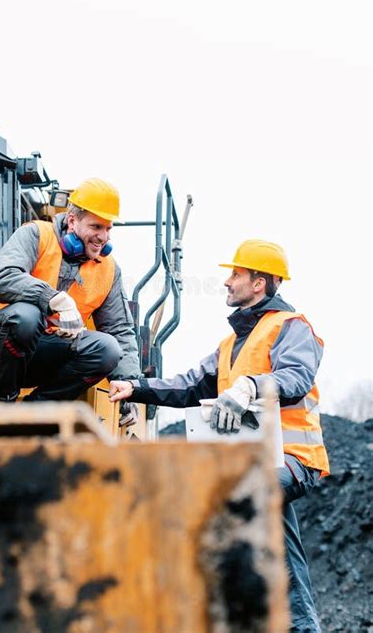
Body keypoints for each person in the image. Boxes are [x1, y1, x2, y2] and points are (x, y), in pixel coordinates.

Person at [109, 239, 329, 632]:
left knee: (230, 496)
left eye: (236, 274)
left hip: (294, 459)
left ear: (259, 283)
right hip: (256, 461)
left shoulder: (292, 327)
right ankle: (299, 626)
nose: (227, 282)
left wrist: (248, 387)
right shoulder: (230, 344)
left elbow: (295, 378)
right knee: (276, 531)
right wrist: (136, 388)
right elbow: (190, 385)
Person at [0, 177, 140, 425]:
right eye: (96, 227)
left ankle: (35, 414)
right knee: (26, 316)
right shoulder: (36, 234)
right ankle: (1, 402)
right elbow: (3, 277)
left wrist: (130, 385)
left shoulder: (109, 269)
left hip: (44, 351)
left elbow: (119, 329)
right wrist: (55, 299)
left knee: (108, 349)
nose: (103, 237)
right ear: (72, 220)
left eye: (108, 228)